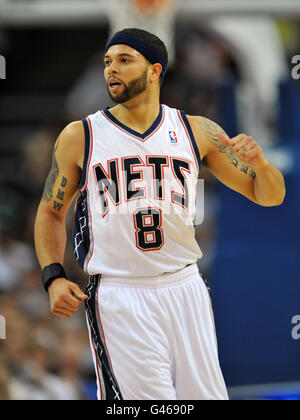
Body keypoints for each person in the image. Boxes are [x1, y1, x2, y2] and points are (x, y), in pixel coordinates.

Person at [34, 28, 286, 401]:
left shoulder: (197, 130)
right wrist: (53, 276)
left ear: (154, 70)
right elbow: (50, 213)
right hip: (120, 292)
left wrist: (261, 164)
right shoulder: (81, 135)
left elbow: (270, 197)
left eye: (124, 60)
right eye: (107, 62)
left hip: (185, 286)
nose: (111, 70)